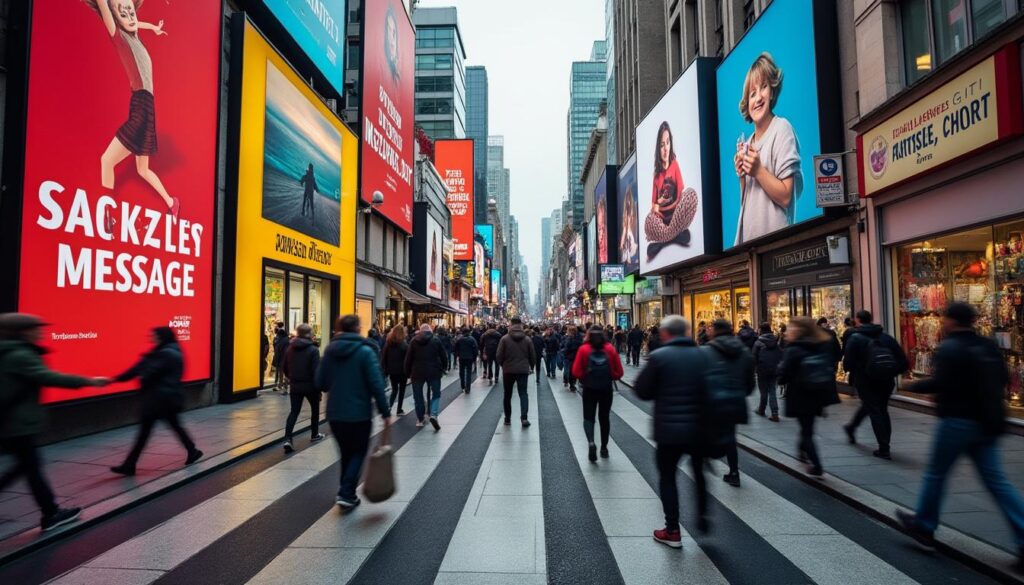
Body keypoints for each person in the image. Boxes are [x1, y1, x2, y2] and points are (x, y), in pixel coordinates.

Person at [895, 302, 1024, 564]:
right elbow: (1001, 379)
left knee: (936, 474)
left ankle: (924, 526)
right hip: (987, 422)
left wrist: (910, 385)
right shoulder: (988, 346)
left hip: (957, 421)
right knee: (997, 482)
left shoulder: (950, 347)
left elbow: (940, 382)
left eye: (945, 318)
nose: (942, 322)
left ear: (952, 321)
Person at [0, 314, 105, 531]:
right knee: (30, 468)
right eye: (36, 328)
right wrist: (88, 381)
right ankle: (50, 513)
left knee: (26, 467)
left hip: (11, 423)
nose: (41, 332)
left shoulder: (8, 352)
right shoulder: (21, 355)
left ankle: (50, 511)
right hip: (19, 424)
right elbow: (49, 377)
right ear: (24, 331)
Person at [633, 316, 712, 548]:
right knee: (700, 473)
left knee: (668, 477)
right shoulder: (704, 355)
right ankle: (703, 515)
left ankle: (673, 530)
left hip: (669, 430)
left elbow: (643, 391)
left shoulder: (659, 357)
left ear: (665, 334)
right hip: (699, 428)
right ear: (687, 333)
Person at [316, 315, 391, 509]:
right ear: (358, 329)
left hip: (335, 413)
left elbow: (320, 383)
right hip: (359, 413)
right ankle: (346, 492)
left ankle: (345, 489)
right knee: (358, 451)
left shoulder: (329, 351)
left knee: (346, 453)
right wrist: (385, 412)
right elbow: (377, 384)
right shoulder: (365, 352)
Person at [110, 327, 203, 476]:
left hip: (159, 399)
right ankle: (192, 450)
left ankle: (130, 464)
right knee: (172, 427)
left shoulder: (164, 354)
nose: (151, 338)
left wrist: (119, 379)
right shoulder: (170, 351)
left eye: (154, 336)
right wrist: (116, 379)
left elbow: (147, 372)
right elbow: (141, 368)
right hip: (166, 398)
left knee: (146, 432)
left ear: (161, 337)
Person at [732, 52, 802, 245]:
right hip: (749, 245)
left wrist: (758, 171)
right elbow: (749, 203)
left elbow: (787, 196)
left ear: (772, 90)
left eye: (763, 87)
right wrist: (742, 177)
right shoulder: (747, 144)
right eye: (752, 93)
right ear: (747, 103)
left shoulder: (782, 129)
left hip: (775, 247)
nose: (758, 97)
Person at [842, 309, 908, 459]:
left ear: (858, 320)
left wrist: (858, 370)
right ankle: (851, 428)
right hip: (886, 381)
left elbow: (848, 363)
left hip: (866, 381)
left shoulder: (856, 338)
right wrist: (890, 371)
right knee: (880, 408)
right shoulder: (886, 338)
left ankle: (884, 448)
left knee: (874, 409)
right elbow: (903, 362)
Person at [777, 317, 837, 479]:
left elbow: (784, 375)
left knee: (806, 430)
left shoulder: (794, 349)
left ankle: (816, 465)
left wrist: (781, 375)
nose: (788, 331)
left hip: (801, 394)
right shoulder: (822, 344)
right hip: (819, 393)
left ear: (799, 330)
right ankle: (802, 451)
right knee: (808, 426)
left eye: (791, 328)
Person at [703, 319, 755, 487]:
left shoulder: (706, 352)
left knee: (708, 432)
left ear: (716, 331)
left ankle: (707, 456)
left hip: (713, 402)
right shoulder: (745, 352)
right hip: (736, 401)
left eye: (711, 328)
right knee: (730, 437)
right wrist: (739, 394)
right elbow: (750, 384)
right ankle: (734, 472)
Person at [572, 326, 625, 462]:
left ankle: (591, 442)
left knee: (588, 417)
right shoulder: (609, 349)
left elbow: (576, 371)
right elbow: (619, 372)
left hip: (589, 388)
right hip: (606, 389)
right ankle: (604, 448)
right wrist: (610, 375)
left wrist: (585, 375)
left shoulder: (583, 349)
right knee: (604, 418)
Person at [281, 324, 325, 453]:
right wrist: (319, 388)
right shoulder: (313, 350)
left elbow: (284, 368)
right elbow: (316, 371)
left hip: (295, 385)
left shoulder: (290, 348)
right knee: (315, 410)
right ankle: (314, 434)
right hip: (310, 385)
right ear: (309, 335)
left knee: (294, 412)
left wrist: (292, 378)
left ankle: (288, 439)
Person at [404, 323, 447, 430]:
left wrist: (407, 372)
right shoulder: (436, 340)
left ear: (420, 331)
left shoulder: (414, 341)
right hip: (433, 371)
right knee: (436, 393)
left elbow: (408, 358)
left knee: (418, 395)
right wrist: (444, 368)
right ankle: (433, 414)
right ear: (430, 331)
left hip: (417, 372)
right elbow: (443, 356)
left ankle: (420, 418)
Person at [496, 318, 536, 428]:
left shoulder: (504, 339)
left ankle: (507, 418)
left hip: (508, 370)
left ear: (511, 324)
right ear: (521, 325)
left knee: (507, 394)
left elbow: (499, 355)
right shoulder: (527, 339)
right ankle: (524, 418)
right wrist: (531, 366)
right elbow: (533, 355)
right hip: (523, 370)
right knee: (523, 393)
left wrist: (503, 365)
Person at [752, 322, 783, 421]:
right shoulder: (776, 341)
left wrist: (754, 369)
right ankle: (775, 413)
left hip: (762, 370)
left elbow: (753, 358)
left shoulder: (758, 342)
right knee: (772, 390)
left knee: (763, 391)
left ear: (761, 330)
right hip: (774, 369)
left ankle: (762, 409)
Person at [381, 326, 409, 414]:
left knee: (394, 389)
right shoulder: (404, 345)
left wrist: (385, 370)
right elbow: (408, 359)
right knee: (402, 390)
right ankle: (399, 409)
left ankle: (389, 406)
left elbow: (383, 357)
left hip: (392, 371)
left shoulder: (388, 343)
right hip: (402, 371)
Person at [454, 327, 479, 393]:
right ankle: (468, 387)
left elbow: (456, 348)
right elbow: (475, 349)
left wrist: (457, 356)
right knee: (468, 372)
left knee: (461, 372)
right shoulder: (472, 339)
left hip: (462, 358)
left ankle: (462, 385)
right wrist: (474, 357)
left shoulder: (460, 339)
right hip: (469, 358)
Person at [561, 325, 584, 392]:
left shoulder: (569, 339)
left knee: (571, 371)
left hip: (571, 357)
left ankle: (572, 384)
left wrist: (565, 353)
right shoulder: (579, 338)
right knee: (577, 370)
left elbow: (567, 348)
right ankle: (576, 382)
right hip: (578, 356)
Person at [272, 322, 290, 391]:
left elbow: (277, 349)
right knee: (283, 372)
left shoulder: (280, 340)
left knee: (281, 372)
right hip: (284, 357)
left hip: (281, 357)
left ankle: (281, 385)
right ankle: (282, 385)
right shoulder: (286, 339)